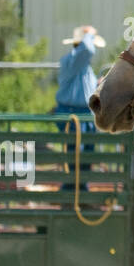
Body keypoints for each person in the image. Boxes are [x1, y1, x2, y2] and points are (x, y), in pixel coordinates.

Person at [51, 25, 105, 190]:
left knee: (83, 157)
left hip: (84, 115)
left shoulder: (79, 65)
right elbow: (88, 49)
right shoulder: (73, 61)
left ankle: (80, 192)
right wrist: (89, 34)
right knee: (76, 156)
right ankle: (72, 193)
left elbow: (83, 87)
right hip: (74, 115)